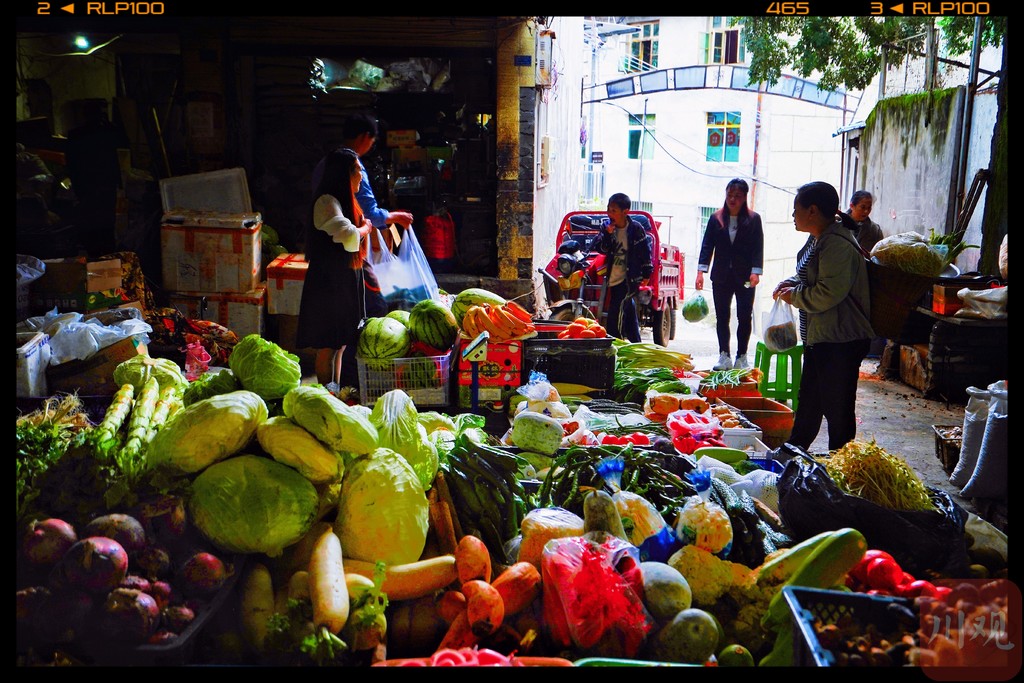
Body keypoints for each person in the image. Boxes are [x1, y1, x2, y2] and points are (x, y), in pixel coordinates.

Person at [772, 181, 874, 452]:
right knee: (809, 401)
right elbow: (809, 275)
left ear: (813, 211)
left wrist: (794, 296)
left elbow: (828, 292)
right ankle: (793, 450)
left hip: (841, 340)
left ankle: (841, 464)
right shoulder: (819, 237)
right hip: (820, 337)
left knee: (837, 409)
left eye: (796, 210)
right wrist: (788, 284)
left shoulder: (836, 244)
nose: (793, 215)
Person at [296, 148, 380, 389]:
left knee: (340, 342)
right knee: (327, 343)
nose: (360, 176)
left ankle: (336, 389)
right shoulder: (326, 201)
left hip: (341, 278)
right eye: (356, 170)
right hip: (328, 281)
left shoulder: (341, 201)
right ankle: (325, 392)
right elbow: (347, 234)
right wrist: (365, 229)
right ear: (341, 173)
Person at [694, 178, 764, 371]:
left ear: (744, 198)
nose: (732, 199)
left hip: (745, 276)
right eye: (730, 195)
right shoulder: (716, 218)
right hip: (721, 275)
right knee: (722, 316)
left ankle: (741, 356)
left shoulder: (753, 219)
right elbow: (707, 245)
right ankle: (724, 355)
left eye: (737, 196)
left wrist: (756, 271)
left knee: (744, 315)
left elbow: (758, 247)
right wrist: (701, 271)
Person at [312, 113, 414, 239]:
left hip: (320, 236)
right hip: (342, 244)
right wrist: (396, 217)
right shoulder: (353, 166)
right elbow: (370, 214)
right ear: (365, 137)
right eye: (372, 140)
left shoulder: (325, 162)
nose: (360, 178)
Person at [592, 192, 654, 343]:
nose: (609, 213)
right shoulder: (606, 227)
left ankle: (615, 342)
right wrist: (607, 235)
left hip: (629, 278)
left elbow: (645, 252)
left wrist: (646, 274)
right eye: (608, 209)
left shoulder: (635, 229)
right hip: (613, 277)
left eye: (613, 210)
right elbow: (601, 249)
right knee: (628, 309)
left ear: (625, 212)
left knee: (616, 313)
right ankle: (636, 343)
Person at [847, 190, 884, 254]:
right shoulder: (838, 225)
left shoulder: (875, 230)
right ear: (852, 206)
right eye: (862, 207)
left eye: (869, 208)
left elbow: (880, 254)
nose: (866, 211)